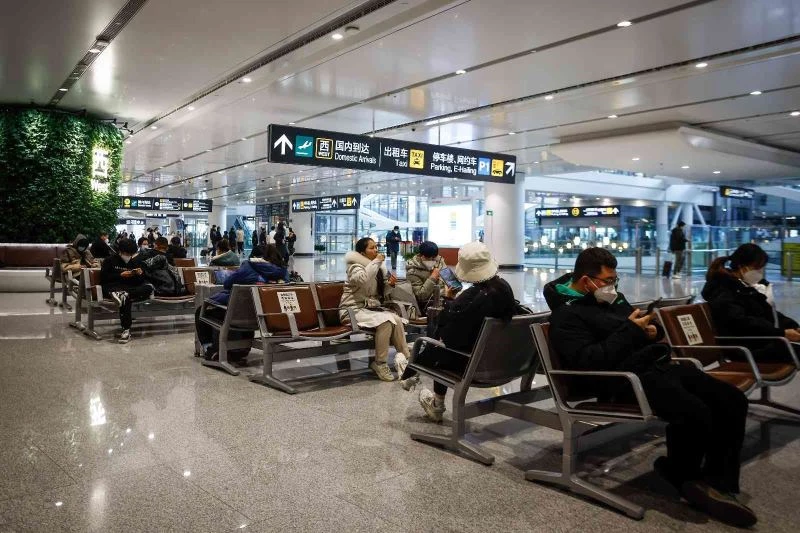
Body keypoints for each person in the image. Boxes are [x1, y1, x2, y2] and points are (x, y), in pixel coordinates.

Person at [545, 247, 754, 528]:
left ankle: (719, 482)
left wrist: (653, 330)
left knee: (732, 399)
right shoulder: (565, 317)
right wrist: (632, 331)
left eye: (614, 280)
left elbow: (638, 323)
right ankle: (683, 475)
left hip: (653, 367)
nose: (612, 287)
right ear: (586, 281)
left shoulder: (612, 299)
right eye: (607, 281)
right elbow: (589, 360)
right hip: (620, 381)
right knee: (695, 411)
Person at [399, 241, 516, 420]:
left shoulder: (473, 297)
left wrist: (448, 300)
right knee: (438, 338)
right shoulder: (504, 288)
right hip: (500, 363)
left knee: (436, 341)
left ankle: (421, 381)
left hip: (469, 365)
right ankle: (414, 373)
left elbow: (450, 336)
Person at [702, 243, 800, 355]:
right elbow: (740, 322)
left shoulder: (744, 287)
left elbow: (767, 312)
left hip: (756, 342)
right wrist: (781, 333)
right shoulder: (723, 289)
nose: (760, 272)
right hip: (743, 347)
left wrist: (793, 326)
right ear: (742, 266)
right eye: (757, 268)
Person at [195, 244, 288, 360]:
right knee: (247, 308)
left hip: (238, 317)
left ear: (255, 257)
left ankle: (210, 349)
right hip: (265, 319)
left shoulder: (249, 267)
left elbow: (227, 283)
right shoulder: (283, 274)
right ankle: (242, 348)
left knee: (201, 311)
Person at [340, 237, 410, 382]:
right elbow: (362, 279)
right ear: (362, 253)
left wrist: (390, 284)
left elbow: (380, 293)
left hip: (369, 310)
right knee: (386, 321)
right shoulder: (354, 267)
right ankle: (380, 363)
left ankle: (406, 359)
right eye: (371, 248)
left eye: (376, 247)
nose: (376, 250)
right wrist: (377, 261)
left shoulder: (377, 268)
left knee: (395, 319)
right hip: (352, 311)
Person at [99, 238, 154, 344]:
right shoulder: (110, 260)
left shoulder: (135, 262)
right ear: (120, 251)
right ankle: (126, 330)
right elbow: (104, 278)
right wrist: (120, 275)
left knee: (148, 288)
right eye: (126, 253)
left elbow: (139, 282)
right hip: (113, 286)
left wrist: (139, 274)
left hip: (128, 288)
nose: (128, 256)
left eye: (130, 254)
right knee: (126, 298)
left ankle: (122, 295)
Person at [405, 241, 447, 315]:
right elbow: (421, 296)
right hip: (428, 306)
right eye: (428, 258)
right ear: (421, 255)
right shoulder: (412, 271)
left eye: (433, 258)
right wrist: (433, 277)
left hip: (444, 300)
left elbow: (448, 280)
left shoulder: (439, 262)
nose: (431, 260)